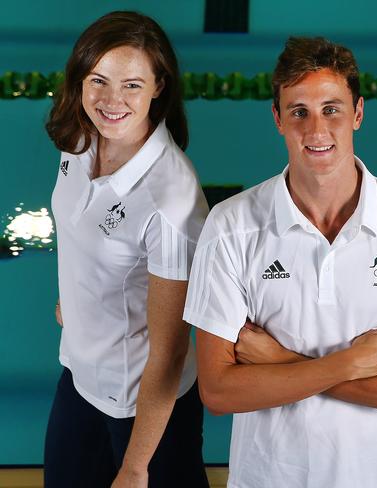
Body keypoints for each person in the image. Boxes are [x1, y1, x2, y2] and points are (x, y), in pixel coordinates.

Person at [183, 36, 377, 488]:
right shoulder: (231, 226)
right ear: (276, 118)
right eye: (299, 112)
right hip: (272, 477)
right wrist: (349, 363)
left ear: (358, 113)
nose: (316, 130)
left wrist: (278, 360)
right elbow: (217, 390)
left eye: (331, 109)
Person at [44, 11, 209, 488]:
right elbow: (81, 229)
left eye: (132, 85)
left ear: (159, 86)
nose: (111, 101)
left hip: (143, 408)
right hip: (78, 375)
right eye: (98, 80)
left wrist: (136, 467)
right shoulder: (80, 135)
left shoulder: (170, 200)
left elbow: (170, 352)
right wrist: (75, 298)